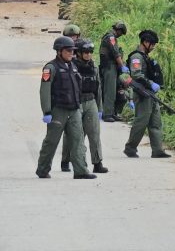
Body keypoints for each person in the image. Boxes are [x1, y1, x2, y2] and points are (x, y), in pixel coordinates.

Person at [36, 36, 97, 179]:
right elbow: (44, 90)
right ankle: (43, 169)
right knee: (51, 141)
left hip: (74, 110)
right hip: (58, 111)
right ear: (59, 51)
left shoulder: (73, 66)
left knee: (78, 140)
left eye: (73, 51)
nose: (71, 53)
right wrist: (47, 111)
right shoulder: (50, 68)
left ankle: (81, 170)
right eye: (68, 50)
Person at [60, 39, 108, 174]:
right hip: (76, 103)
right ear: (79, 53)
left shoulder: (94, 67)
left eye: (91, 52)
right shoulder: (72, 67)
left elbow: (98, 88)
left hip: (91, 101)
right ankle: (66, 160)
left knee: (94, 133)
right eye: (85, 52)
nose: (88, 55)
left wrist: (100, 108)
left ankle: (97, 162)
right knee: (73, 134)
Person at [123, 30, 171, 159]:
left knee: (156, 121)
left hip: (150, 93)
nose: (154, 47)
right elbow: (136, 75)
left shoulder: (145, 56)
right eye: (153, 44)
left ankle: (157, 150)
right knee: (141, 121)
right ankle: (130, 147)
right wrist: (151, 84)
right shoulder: (136, 57)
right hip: (142, 93)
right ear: (145, 42)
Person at [99, 21, 129, 122]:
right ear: (119, 30)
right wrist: (122, 66)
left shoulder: (110, 36)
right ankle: (107, 114)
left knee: (116, 90)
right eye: (121, 33)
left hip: (111, 67)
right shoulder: (111, 37)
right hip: (109, 67)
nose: (121, 35)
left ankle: (113, 113)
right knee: (110, 91)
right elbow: (115, 53)